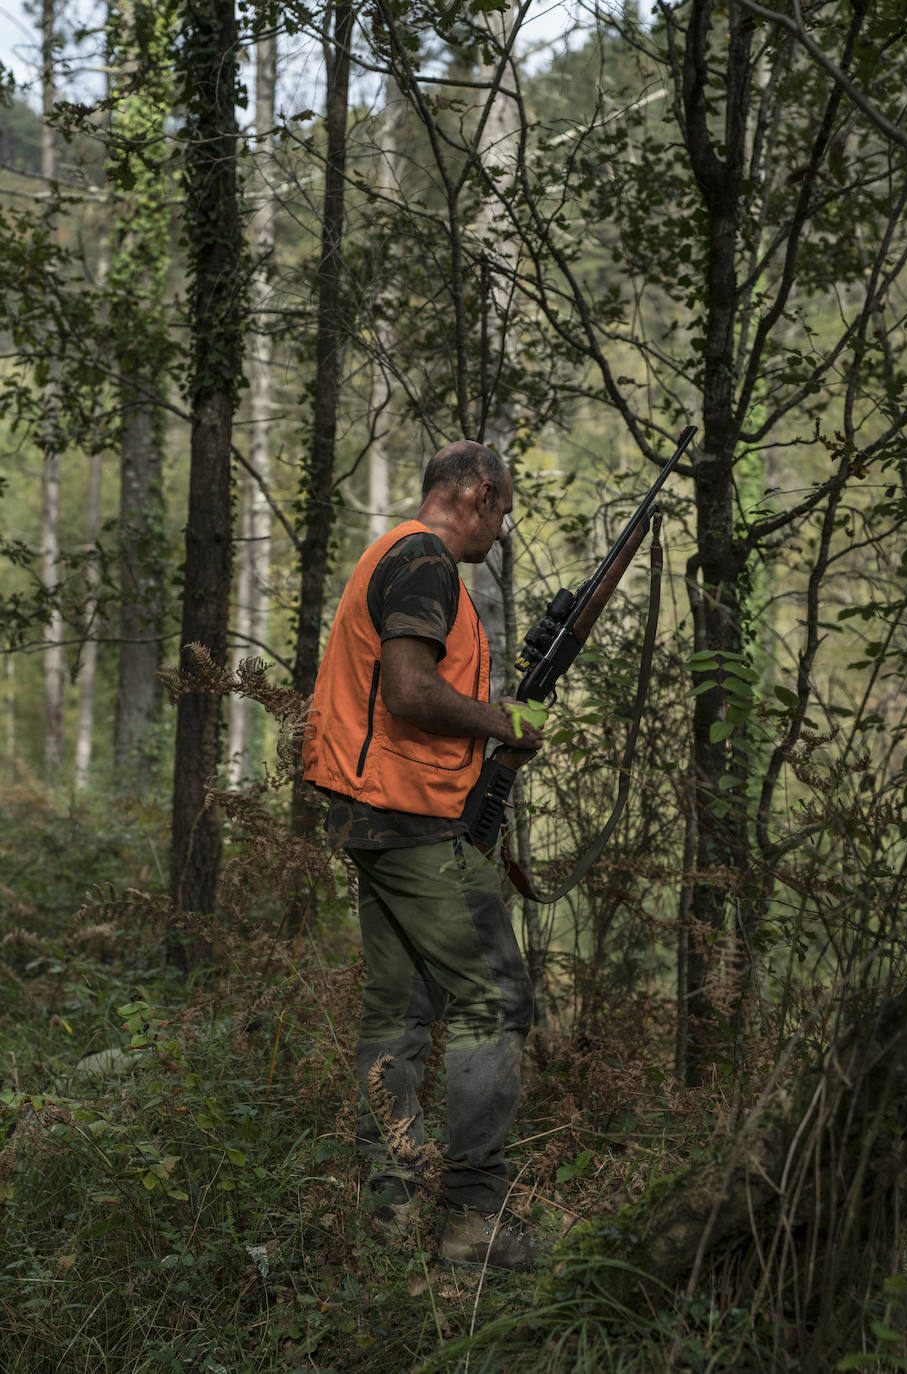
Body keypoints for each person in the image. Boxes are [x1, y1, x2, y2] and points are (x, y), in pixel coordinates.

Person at [301, 440, 547, 1269]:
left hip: (371, 815)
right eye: (503, 510)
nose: (500, 529)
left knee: (399, 1011)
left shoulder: (396, 552)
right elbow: (408, 690)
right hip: (407, 822)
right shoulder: (424, 560)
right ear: (478, 493)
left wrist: (488, 747)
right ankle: (474, 1224)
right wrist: (501, 723)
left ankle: (390, 1213)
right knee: (496, 996)